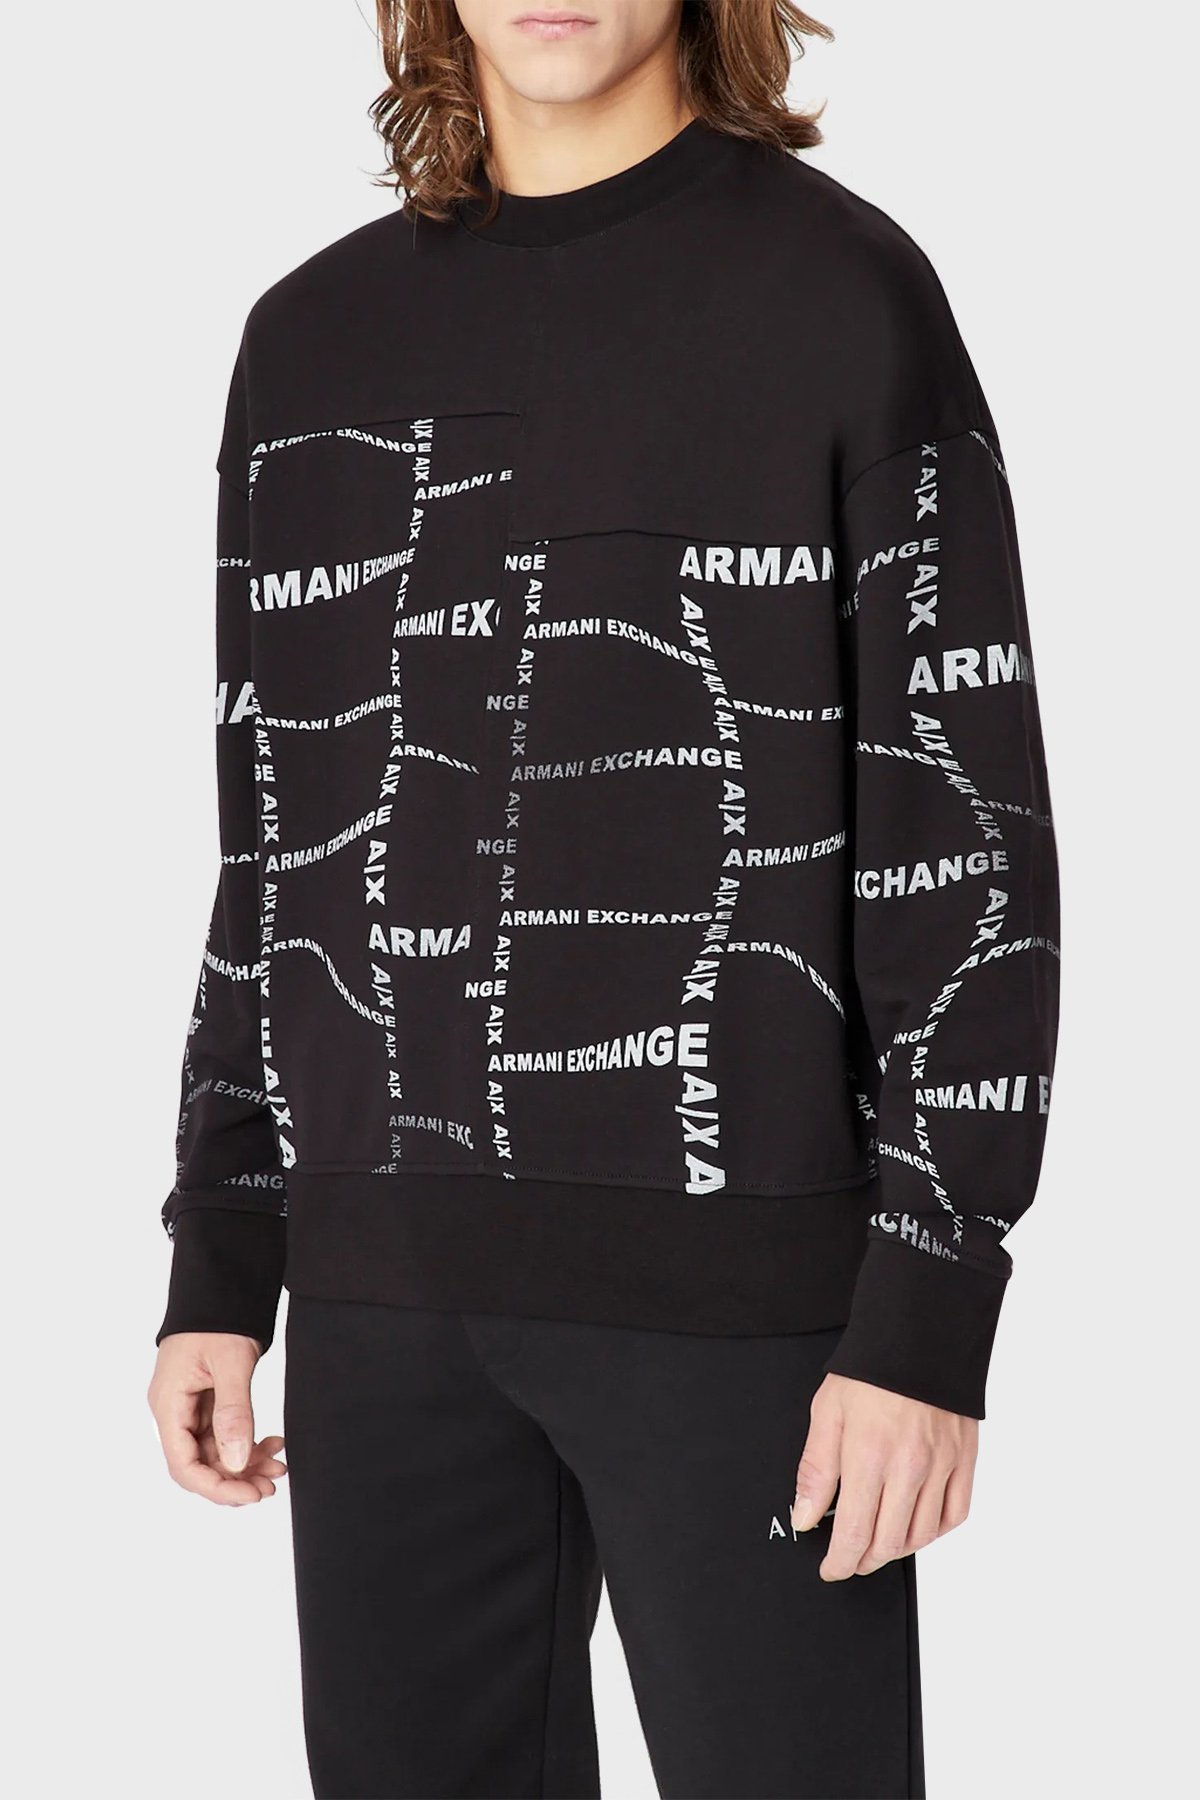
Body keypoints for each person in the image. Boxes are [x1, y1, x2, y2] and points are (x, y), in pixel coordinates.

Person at [147, 4, 1060, 1796]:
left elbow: (963, 830)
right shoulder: (307, 339)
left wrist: (930, 1314)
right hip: (383, 1302)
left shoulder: (843, 295)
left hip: (754, 1311)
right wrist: (221, 1253)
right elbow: (276, 830)